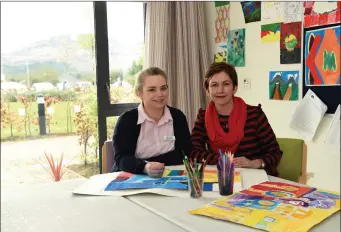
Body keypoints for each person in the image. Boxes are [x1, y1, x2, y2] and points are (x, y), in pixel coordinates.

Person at [190, 62, 282, 176]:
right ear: (207, 90)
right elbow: (194, 152)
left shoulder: (255, 114)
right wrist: (223, 160)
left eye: (226, 84)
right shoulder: (203, 117)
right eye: (214, 85)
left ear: (235, 88)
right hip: (222, 179)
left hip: (256, 179)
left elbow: (275, 152)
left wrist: (254, 163)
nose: (220, 90)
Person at [111, 67, 191, 178]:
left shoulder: (178, 117)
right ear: (139, 93)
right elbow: (122, 158)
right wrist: (144, 167)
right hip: (133, 177)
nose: (160, 94)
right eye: (152, 89)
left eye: (163, 88)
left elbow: (185, 151)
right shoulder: (127, 120)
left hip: (170, 177)